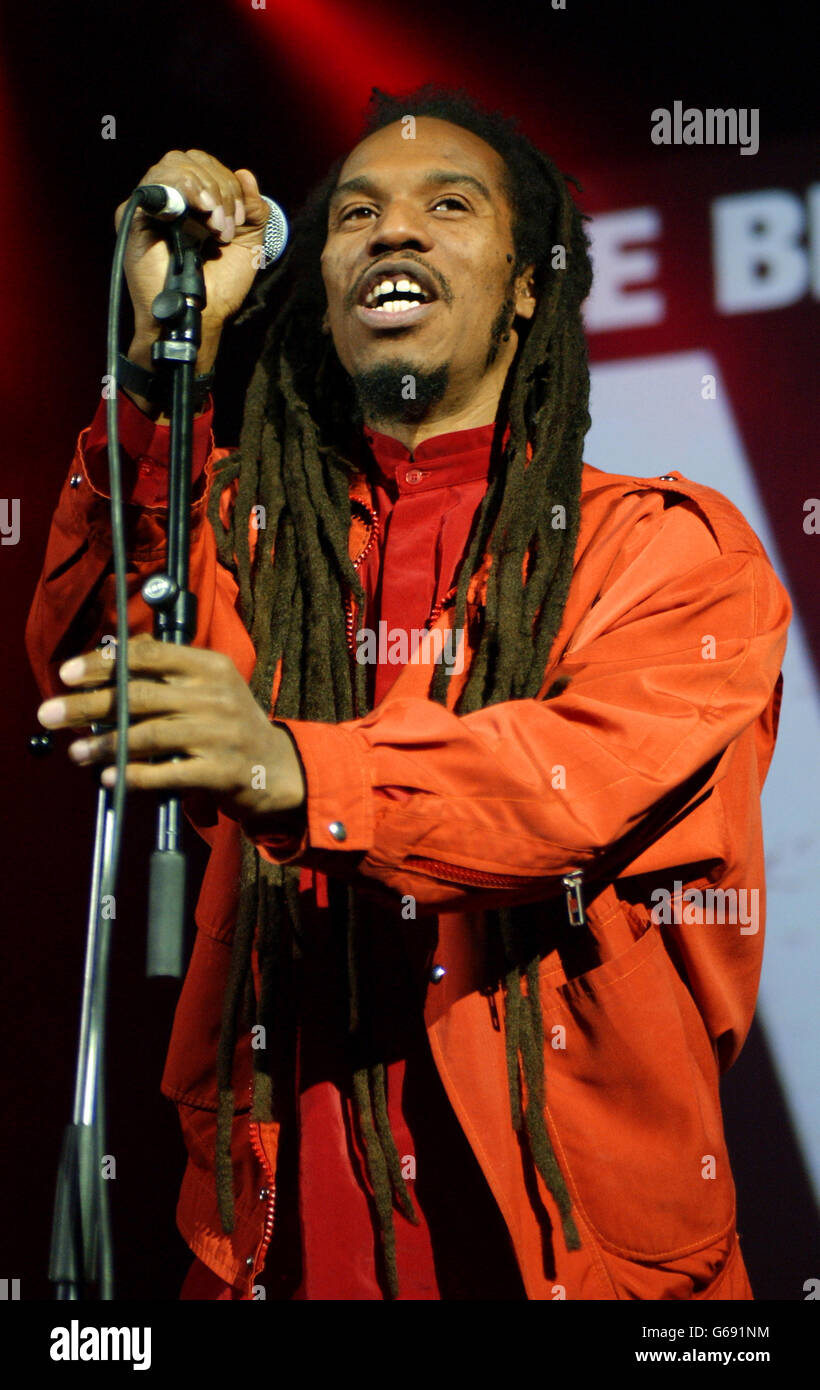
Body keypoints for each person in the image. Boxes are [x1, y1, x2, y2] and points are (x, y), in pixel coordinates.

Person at [27, 86, 791, 1301]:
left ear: (529, 284)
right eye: (356, 216)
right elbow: (91, 655)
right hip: (276, 1252)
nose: (393, 232)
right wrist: (157, 363)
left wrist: (291, 768)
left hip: (580, 1271)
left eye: (449, 206)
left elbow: (564, 788)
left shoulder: (667, 552)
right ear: (322, 298)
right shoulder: (250, 533)